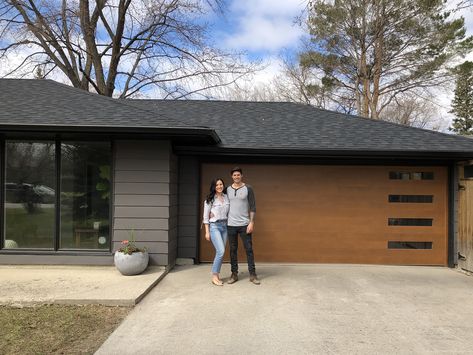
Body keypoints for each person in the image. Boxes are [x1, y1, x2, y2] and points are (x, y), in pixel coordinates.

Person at [226, 167, 260, 285]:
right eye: (234, 175)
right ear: (232, 176)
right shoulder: (227, 189)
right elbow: (220, 202)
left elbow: (253, 206)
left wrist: (251, 222)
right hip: (230, 225)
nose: (236, 177)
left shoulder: (248, 188)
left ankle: (253, 274)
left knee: (249, 250)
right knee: (232, 250)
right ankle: (234, 274)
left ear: (242, 176)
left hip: (244, 225)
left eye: (238, 175)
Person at [203, 178, 230, 286]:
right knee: (221, 251)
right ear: (214, 187)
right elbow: (205, 217)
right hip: (215, 226)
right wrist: (207, 232)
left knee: (220, 252)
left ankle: (216, 275)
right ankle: (214, 276)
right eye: (217, 185)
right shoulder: (209, 200)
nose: (219, 186)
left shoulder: (227, 197)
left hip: (225, 226)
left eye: (221, 184)